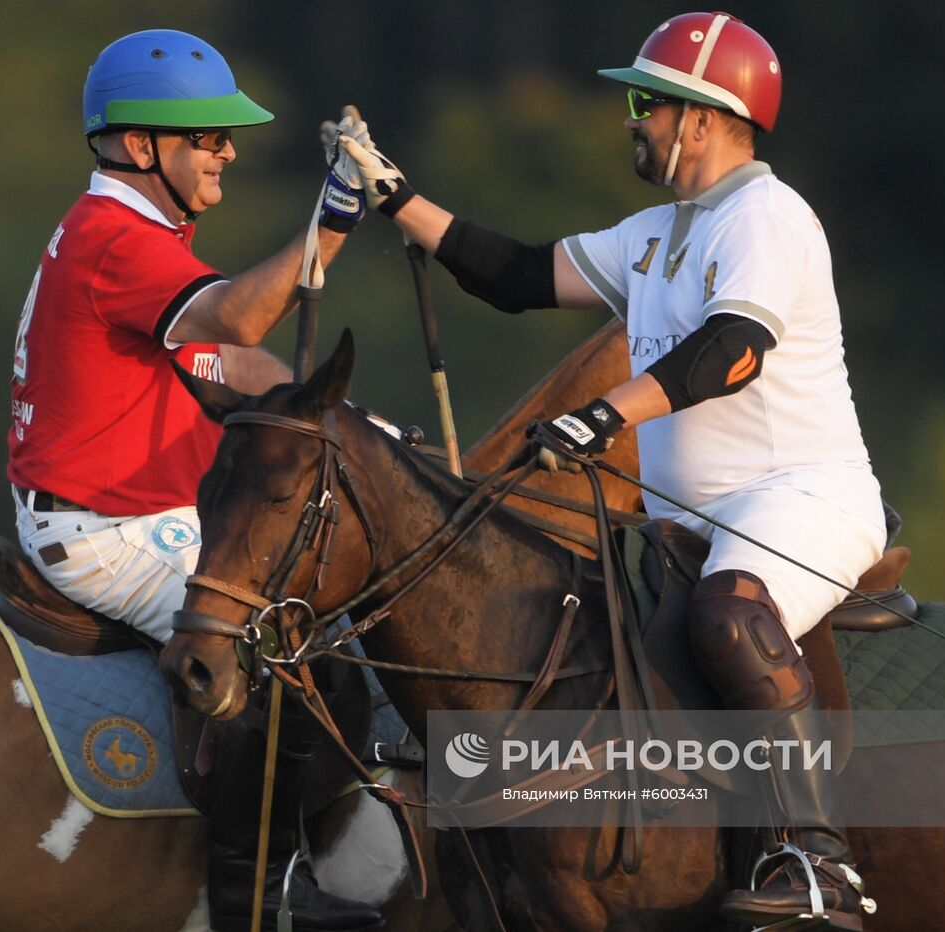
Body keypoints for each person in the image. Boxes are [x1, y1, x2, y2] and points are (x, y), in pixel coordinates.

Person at [340, 12, 880, 930]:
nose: (632, 120)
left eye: (646, 103)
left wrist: (603, 414)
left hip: (803, 498)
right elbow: (512, 274)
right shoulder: (655, 234)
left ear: (703, 119)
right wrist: (397, 197)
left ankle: (817, 862)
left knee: (732, 612)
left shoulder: (768, 217)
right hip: (688, 522)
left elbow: (732, 352)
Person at [6, 29, 381, 931]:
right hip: (102, 529)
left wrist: (371, 435)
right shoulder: (114, 238)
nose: (228, 152)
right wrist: (327, 224)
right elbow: (240, 313)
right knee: (283, 643)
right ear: (143, 147)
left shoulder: (140, 234)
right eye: (207, 136)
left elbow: (234, 361)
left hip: (137, 509)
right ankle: (259, 888)